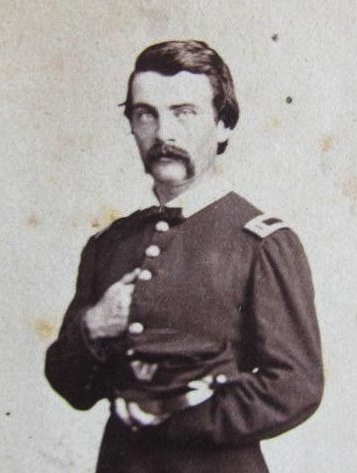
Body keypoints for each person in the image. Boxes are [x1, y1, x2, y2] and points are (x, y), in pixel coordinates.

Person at [45, 40, 324, 473]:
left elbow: (295, 384)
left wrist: (177, 418)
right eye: (146, 114)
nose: (163, 135)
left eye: (184, 113)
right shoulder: (109, 245)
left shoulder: (262, 243)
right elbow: (72, 387)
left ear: (223, 125)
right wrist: (93, 327)